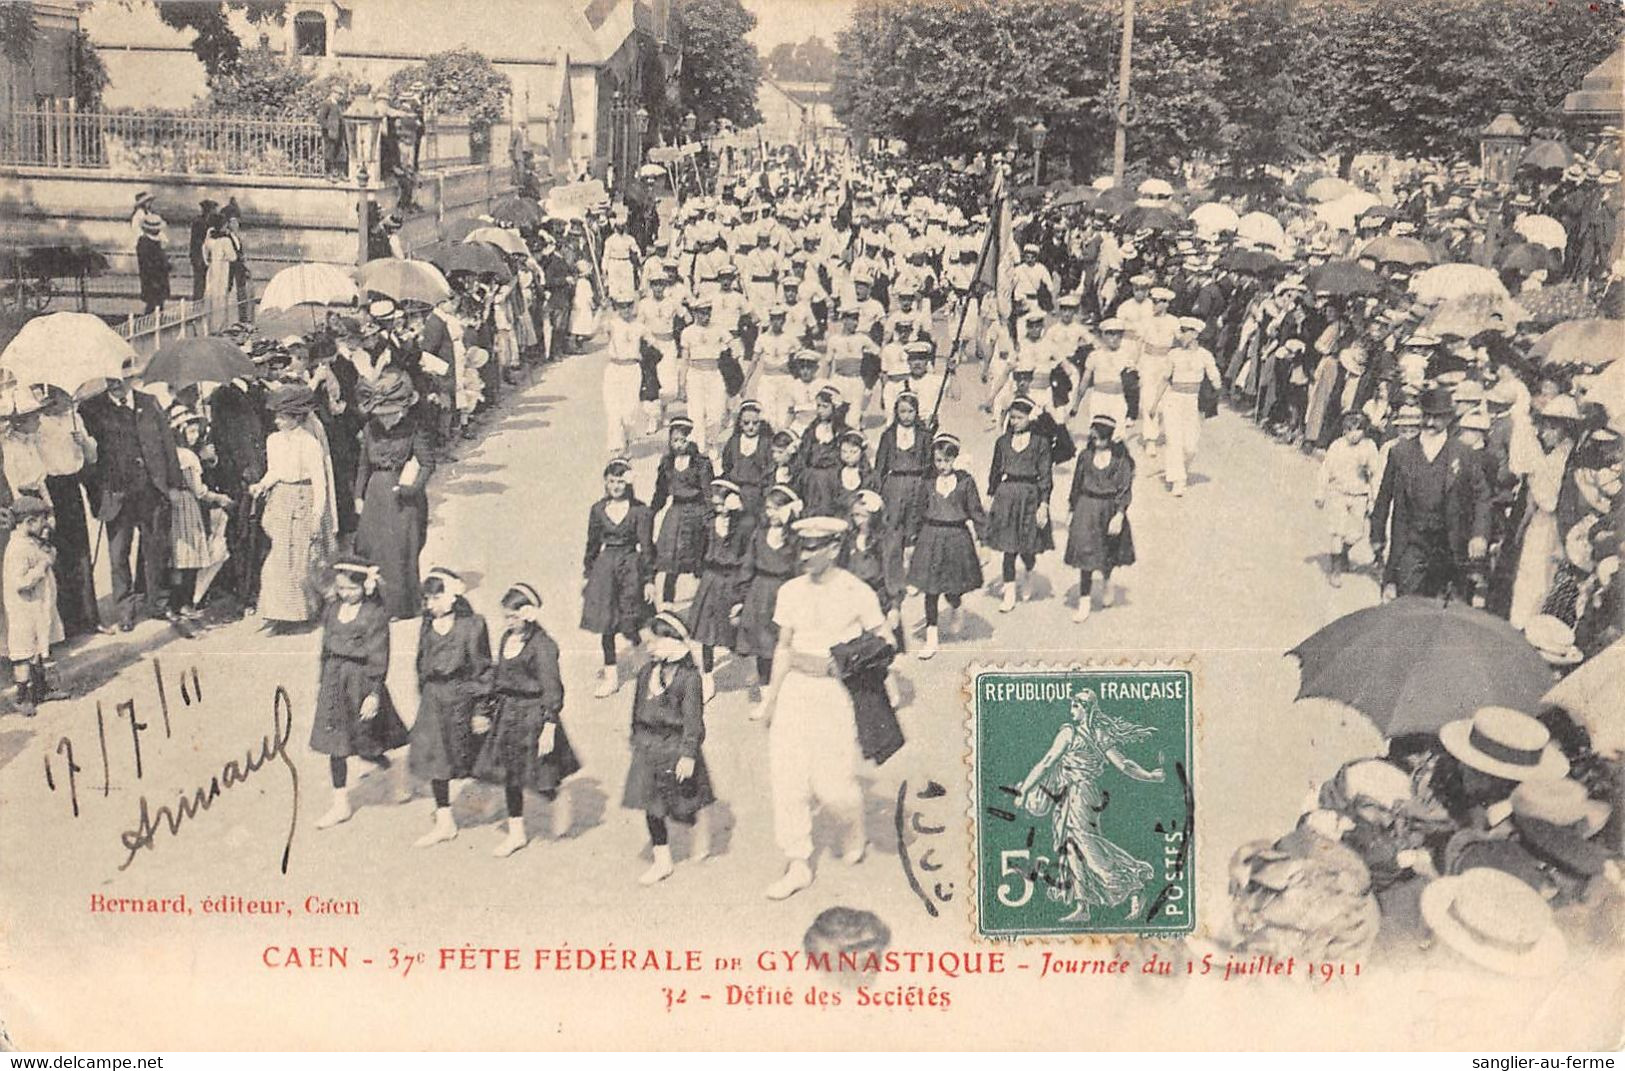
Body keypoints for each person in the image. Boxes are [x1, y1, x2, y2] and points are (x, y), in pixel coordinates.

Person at [759, 515, 887, 900]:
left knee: (833, 787)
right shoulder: (790, 591)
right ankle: (798, 861)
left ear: (834, 549)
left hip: (834, 693)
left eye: (815, 547)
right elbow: (783, 646)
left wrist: (850, 662)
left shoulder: (856, 590)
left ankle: (853, 825)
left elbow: (883, 641)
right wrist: (771, 699)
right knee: (788, 778)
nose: (806, 554)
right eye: (803, 546)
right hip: (796, 689)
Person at [1013, 689, 1166, 922]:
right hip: (1074, 794)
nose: (1071, 710)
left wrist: (1024, 790)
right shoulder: (1098, 734)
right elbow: (1124, 765)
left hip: (1079, 795)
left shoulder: (1070, 733)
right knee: (1071, 848)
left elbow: (1046, 764)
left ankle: (1133, 885)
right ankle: (1082, 906)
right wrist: (1151, 776)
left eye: (1075, 706)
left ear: (1086, 708)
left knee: (1088, 847)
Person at [474, 582, 579, 857]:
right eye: (506, 616)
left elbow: (552, 688)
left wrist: (549, 726)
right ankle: (516, 833)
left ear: (528, 614)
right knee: (510, 776)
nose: (508, 622)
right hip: (508, 714)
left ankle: (558, 798)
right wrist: (486, 711)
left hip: (534, 715)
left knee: (538, 776)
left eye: (513, 616)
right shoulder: (506, 639)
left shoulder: (543, 645)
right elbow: (497, 679)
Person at [309, 558, 410, 830]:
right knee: (336, 745)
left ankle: (393, 773)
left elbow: (380, 655)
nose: (345, 594)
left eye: (350, 589)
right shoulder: (332, 611)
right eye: (340, 588)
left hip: (361, 683)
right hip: (334, 681)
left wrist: (373, 694)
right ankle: (340, 803)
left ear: (364, 587)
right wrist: (322, 683)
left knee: (368, 742)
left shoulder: (374, 614)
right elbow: (325, 650)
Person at [80, 374, 183, 632]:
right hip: (117, 495)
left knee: (156, 549)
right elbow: (88, 459)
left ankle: (158, 603)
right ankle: (125, 611)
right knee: (118, 555)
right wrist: (97, 492)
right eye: (111, 379)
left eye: (121, 378)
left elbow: (168, 446)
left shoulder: (149, 402)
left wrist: (173, 485)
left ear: (130, 379)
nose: (116, 383)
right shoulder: (90, 409)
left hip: (150, 490)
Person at [622, 610, 717, 886]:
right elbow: (636, 711)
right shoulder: (646, 674)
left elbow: (693, 723)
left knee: (686, 801)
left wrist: (688, 754)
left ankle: (700, 829)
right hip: (649, 747)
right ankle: (662, 860)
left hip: (675, 747)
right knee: (651, 806)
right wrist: (635, 738)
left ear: (672, 641)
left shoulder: (689, 679)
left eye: (653, 642)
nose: (648, 648)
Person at [1369, 386, 1491, 600]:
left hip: (1450, 544)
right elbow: (1384, 496)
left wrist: (1479, 535)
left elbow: (1482, 496)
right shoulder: (1401, 452)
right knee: (1406, 603)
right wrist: (1377, 535)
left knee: (1446, 612)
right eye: (1427, 416)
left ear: (1449, 418)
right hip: (1411, 541)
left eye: (1437, 418)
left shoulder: (1463, 454)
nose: (1430, 423)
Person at [408, 568, 493, 848]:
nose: (430, 605)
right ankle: (445, 820)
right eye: (427, 599)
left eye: (436, 597)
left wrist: (481, 709)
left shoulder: (472, 626)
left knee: (469, 755)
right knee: (436, 759)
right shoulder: (427, 625)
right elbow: (421, 662)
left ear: (452, 596)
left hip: (461, 699)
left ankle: (488, 796)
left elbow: (482, 670)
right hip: (434, 698)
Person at [247, 384, 332, 633]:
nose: (277, 421)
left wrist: (318, 514)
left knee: (302, 560)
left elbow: (320, 481)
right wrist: (262, 485)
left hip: (304, 499)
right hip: (282, 499)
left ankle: (304, 613)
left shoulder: (309, 443)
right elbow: (275, 471)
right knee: (278, 559)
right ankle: (278, 613)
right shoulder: (273, 440)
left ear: (297, 417)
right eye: (277, 417)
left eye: (283, 417)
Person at [353, 369, 434, 620]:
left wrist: (412, 489)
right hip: (376, 493)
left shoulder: (414, 430)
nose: (386, 421)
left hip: (404, 497)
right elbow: (363, 465)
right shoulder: (369, 429)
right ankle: (377, 601)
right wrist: (358, 496)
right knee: (373, 548)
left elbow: (428, 464)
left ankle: (400, 605)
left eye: (391, 416)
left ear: (403, 410)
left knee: (400, 550)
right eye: (382, 416)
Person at [906, 433, 987, 660]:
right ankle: (932, 638)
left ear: (955, 459)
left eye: (947, 461)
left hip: (956, 538)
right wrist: (910, 541)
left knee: (952, 586)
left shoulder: (965, 482)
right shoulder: (926, 482)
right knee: (930, 590)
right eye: (938, 460)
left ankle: (955, 606)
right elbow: (917, 512)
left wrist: (983, 541)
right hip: (931, 537)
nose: (942, 466)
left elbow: (976, 512)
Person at [581, 457, 655, 699]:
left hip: (630, 567)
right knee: (607, 625)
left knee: (630, 621)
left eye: (620, 481)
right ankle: (611, 676)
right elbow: (592, 544)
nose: (615, 486)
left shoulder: (640, 511)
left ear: (628, 483)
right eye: (612, 481)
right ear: (605, 482)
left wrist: (649, 580)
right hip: (605, 569)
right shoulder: (598, 510)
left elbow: (646, 547)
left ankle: (643, 663)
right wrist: (587, 573)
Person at [35, 390, 101, 637]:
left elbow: (91, 458)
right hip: (49, 488)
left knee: (80, 552)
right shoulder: (38, 422)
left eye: (60, 395)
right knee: (56, 555)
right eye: (51, 396)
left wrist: (82, 441)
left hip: (71, 486)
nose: (56, 401)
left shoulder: (74, 417)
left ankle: (89, 617)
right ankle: (67, 624)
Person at [685, 478, 754, 701]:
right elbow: (699, 547)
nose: (720, 510)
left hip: (733, 579)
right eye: (716, 506)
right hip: (712, 578)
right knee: (707, 630)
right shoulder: (708, 522)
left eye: (723, 505)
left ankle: (753, 668)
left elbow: (747, 555)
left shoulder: (744, 525)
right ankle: (707, 675)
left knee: (736, 627)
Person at [736, 484, 801, 720]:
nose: (771, 513)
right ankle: (766, 700)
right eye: (768, 509)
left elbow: (799, 571)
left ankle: (784, 696)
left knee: (784, 647)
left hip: (784, 594)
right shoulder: (759, 535)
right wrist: (741, 598)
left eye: (777, 509)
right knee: (763, 650)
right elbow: (748, 566)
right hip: (760, 594)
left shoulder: (795, 538)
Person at [1064, 415, 1136, 623]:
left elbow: (1124, 488)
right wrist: (1071, 509)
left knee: (1107, 551)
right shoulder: (1085, 457)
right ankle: (1084, 601)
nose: (1097, 442)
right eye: (1094, 437)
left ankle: (1106, 580)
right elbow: (1076, 484)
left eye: (1101, 438)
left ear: (1110, 438)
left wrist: (1120, 515)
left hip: (1109, 510)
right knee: (1085, 556)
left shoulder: (1120, 460)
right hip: (1086, 508)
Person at [986, 396, 1054, 613]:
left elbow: (1045, 476)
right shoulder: (1002, 442)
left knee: (1027, 546)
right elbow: (995, 471)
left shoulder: (1040, 443)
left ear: (1029, 418)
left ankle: (1029, 573)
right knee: (1008, 548)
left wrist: (1044, 504)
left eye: (1019, 417)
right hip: (1007, 497)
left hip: (1030, 497)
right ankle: (1009, 592)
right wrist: (991, 496)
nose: (1014, 421)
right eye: (1011, 417)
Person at [167, 407, 232, 619]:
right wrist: (219, 498)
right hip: (187, 505)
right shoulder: (186, 456)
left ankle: (176, 604)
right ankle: (184, 603)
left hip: (178, 505)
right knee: (189, 556)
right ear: (180, 430)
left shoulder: (173, 452)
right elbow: (198, 490)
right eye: (191, 431)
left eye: (196, 431)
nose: (195, 436)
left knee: (181, 557)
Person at [4, 494, 64, 714]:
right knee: (24, 654)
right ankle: (22, 696)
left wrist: (48, 552)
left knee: (40, 647)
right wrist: (43, 565)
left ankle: (42, 689)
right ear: (28, 522)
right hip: (24, 610)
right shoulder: (18, 549)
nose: (45, 524)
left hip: (38, 607)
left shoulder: (32, 542)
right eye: (41, 520)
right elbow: (20, 582)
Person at [651, 417, 715, 609]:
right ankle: (667, 603)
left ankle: (704, 601)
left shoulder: (700, 463)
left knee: (698, 558)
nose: (679, 445)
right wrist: (651, 511)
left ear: (691, 440)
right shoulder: (667, 463)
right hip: (675, 514)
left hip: (696, 513)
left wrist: (710, 515)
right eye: (675, 440)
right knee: (671, 562)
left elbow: (708, 492)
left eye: (683, 440)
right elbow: (661, 492)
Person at [1156, 317, 1224, 496]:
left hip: (1193, 401)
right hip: (1174, 399)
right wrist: (1154, 404)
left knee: (1190, 446)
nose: (1181, 335)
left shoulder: (1205, 355)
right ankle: (1178, 480)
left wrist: (1215, 391)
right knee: (1174, 440)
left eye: (1185, 331)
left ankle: (1182, 469)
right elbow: (1164, 379)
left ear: (1194, 334)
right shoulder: (1174, 354)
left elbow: (1215, 378)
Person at [1315, 412, 1382, 588]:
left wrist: (1374, 497)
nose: (1353, 434)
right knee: (1337, 531)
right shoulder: (1337, 446)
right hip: (1339, 492)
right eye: (1349, 430)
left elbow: (1375, 474)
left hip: (1359, 494)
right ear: (1344, 431)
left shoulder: (1369, 447)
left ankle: (1343, 552)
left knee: (1356, 533)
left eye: (1358, 430)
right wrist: (1320, 493)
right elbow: (1325, 470)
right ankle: (1336, 569)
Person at [874, 389, 932, 545]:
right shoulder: (888, 435)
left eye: (910, 411)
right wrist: (877, 490)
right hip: (894, 485)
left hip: (917, 485)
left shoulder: (924, 435)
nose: (906, 416)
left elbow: (929, 464)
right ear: (896, 412)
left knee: (914, 524)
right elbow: (880, 466)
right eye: (902, 411)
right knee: (893, 524)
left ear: (917, 411)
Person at [602, 296, 651, 456]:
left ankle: (628, 440)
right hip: (614, 368)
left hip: (632, 369)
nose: (625, 310)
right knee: (613, 410)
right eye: (621, 307)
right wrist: (602, 310)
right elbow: (592, 329)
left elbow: (654, 345)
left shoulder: (640, 327)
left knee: (629, 412)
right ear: (617, 308)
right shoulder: (612, 324)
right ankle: (616, 449)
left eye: (628, 306)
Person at [132, 191, 169, 314]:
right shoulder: (139, 215)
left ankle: (155, 311)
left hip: (151, 248)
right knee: (153, 290)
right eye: (148, 202)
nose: (150, 204)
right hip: (148, 251)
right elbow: (137, 231)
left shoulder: (149, 214)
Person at [201, 217, 237, 333]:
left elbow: (205, 256)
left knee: (211, 295)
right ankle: (220, 327)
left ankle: (209, 325)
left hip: (212, 269)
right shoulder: (225, 241)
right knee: (221, 297)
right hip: (222, 270)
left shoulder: (209, 240)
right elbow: (233, 257)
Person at [189, 198, 217, 301]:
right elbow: (199, 242)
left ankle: (199, 303)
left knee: (202, 283)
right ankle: (198, 304)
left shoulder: (204, 221)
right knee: (199, 283)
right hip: (199, 257)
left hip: (202, 256)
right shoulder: (200, 222)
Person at [317, 88, 345, 178]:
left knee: (340, 153)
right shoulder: (326, 104)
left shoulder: (338, 105)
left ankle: (339, 174)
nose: (340, 97)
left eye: (341, 95)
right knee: (329, 153)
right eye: (339, 94)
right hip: (329, 134)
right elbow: (321, 119)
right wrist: (328, 128)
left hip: (338, 133)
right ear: (333, 93)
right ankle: (328, 174)